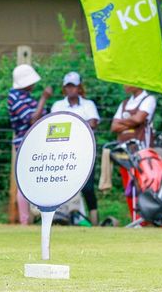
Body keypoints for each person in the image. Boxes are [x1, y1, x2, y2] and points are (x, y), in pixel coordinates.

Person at [51, 71, 100, 225]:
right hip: (63, 152)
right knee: (65, 184)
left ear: (79, 87)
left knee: (88, 188)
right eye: (68, 86)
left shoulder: (88, 104)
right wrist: (80, 125)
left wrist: (68, 127)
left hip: (85, 151)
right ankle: (67, 217)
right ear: (64, 88)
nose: (70, 89)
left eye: (73, 86)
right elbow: (53, 128)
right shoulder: (57, 105)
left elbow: (93, 123)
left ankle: (94, 222)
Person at [7, 64, 53, 225]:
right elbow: (32, 119)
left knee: (36, 179)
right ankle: (24, 220)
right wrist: (44, 98)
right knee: (25, 181)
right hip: (25, 144)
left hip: (35, 142)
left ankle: (33, 219)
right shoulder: (15, 97)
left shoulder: (26, 96)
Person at [110, 85, 157, 220]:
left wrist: (122, 122)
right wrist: (132, 121)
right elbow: (114, 127)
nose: (124, 85)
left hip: (142, 151)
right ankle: (135, 220)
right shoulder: (125, 103)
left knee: (143, 186)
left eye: (128, 82)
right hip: (123, 151)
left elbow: (139, 119)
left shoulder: (149, 99)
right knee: (129, 187)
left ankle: (147, 219)